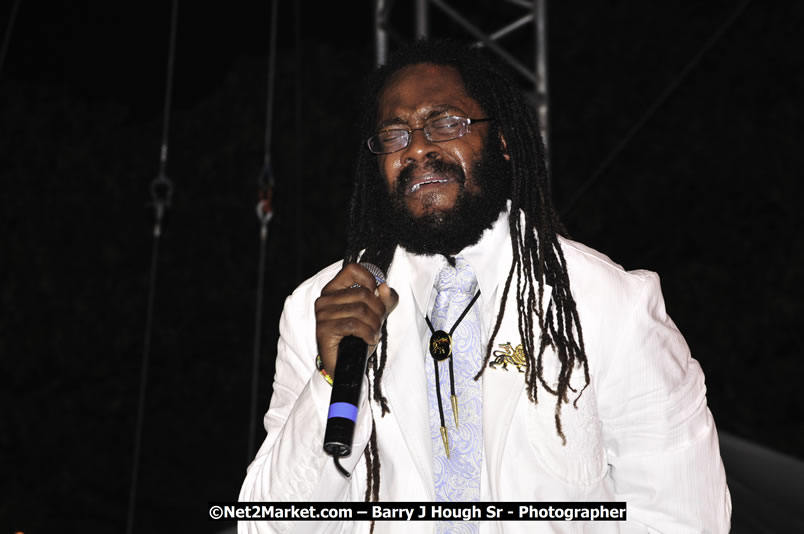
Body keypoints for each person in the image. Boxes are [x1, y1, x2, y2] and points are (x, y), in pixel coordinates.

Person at [238, 40, 731, 533]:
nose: (417, 148)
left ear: (503, 140)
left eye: (445, 122)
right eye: (394, 135)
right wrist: (329, 379)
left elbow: (686, 517)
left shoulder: (606, 304)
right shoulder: (321, 310)